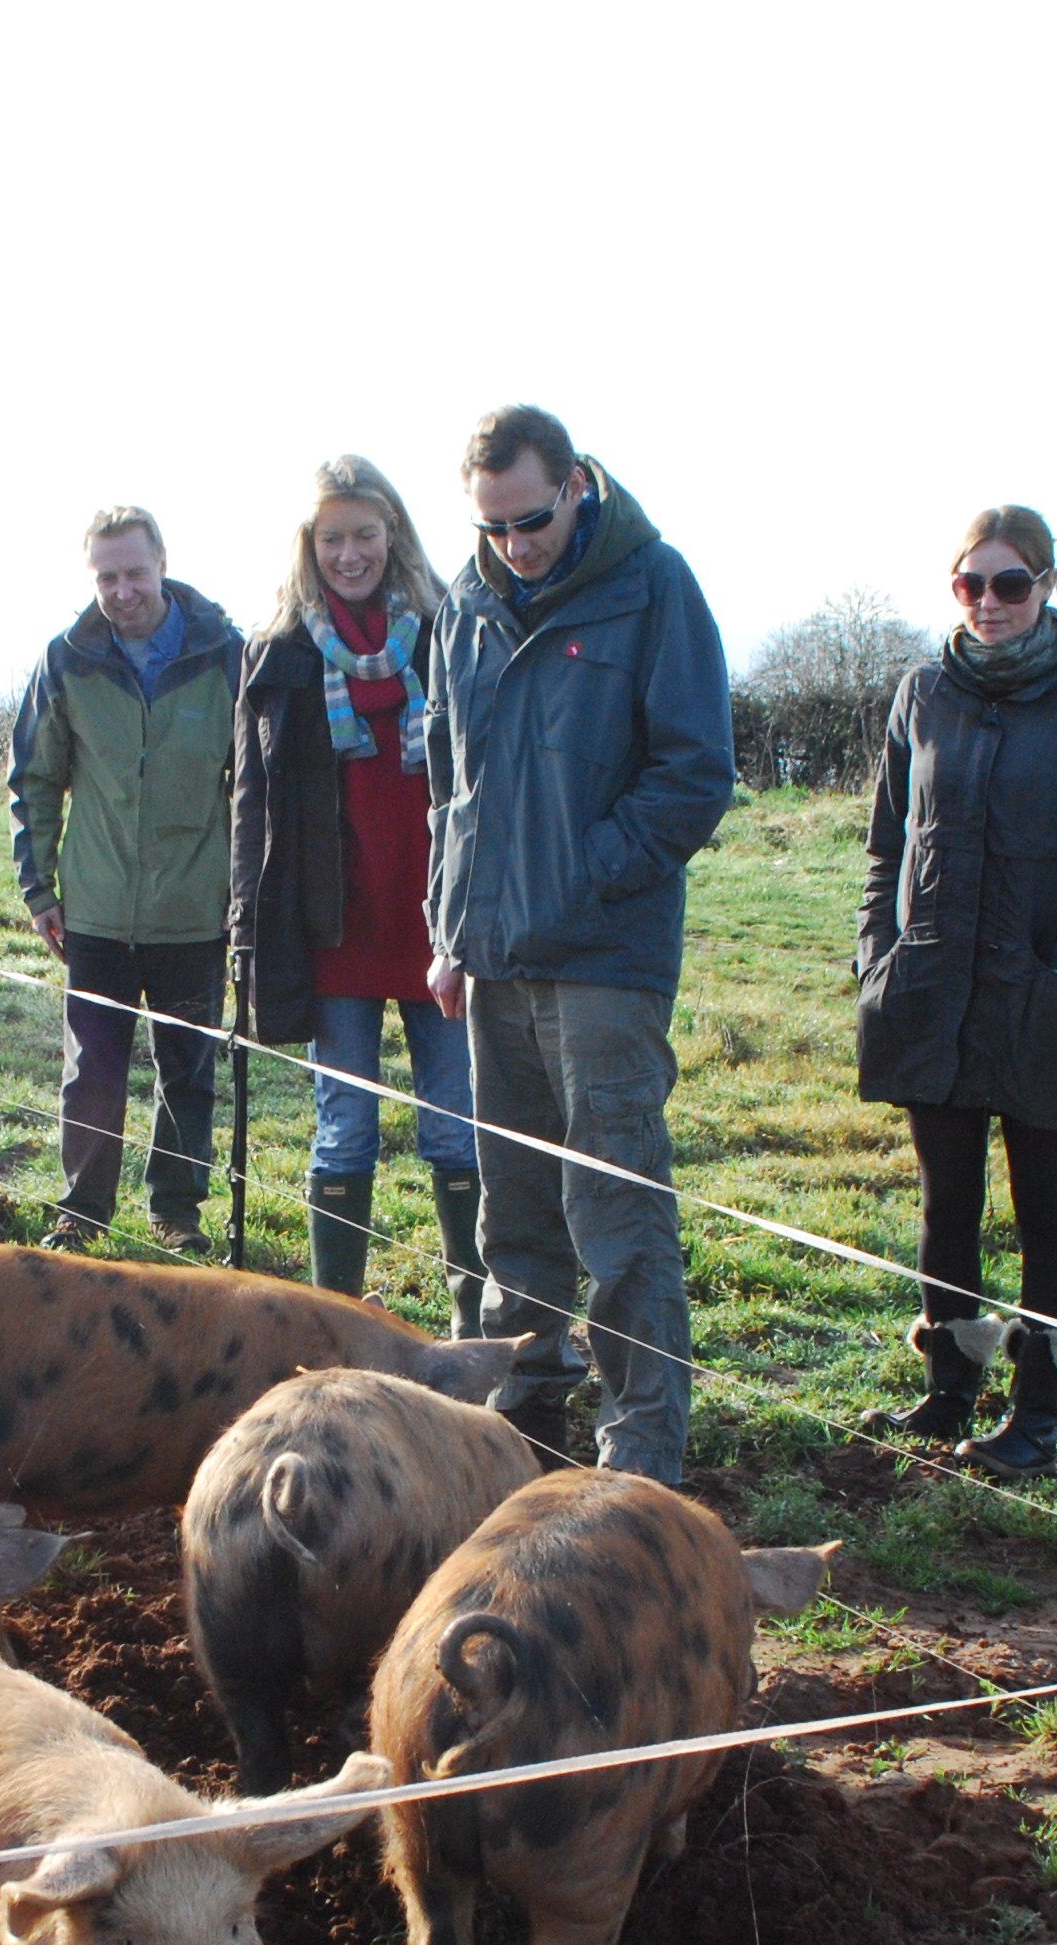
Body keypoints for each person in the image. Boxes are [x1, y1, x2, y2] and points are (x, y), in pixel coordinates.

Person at [423, 403, 734, 1477]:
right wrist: (446, 921)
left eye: (530, 519)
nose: (514, 545)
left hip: (604, 957)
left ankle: (640, 1447)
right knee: (511, 1208)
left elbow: (694, 773)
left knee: (612, 1209)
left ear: (574, 485)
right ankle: (523, 1410)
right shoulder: (461, 602)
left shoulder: (654, 587)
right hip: (489, 956)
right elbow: (443, 780)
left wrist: (586, 874)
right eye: (493, 526)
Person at [856, 506, 1057, 1476]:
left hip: (1034, 1004)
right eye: (969, 584)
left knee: (1042, 1213)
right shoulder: (920, 694)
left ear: (1046, 587)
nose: (988, 603)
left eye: (1008, 584)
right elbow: (886, 843)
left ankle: (1036, 1414)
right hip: (930, 992)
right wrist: (877, 956)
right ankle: (946, 1391)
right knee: (947, 1208)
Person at [229, 456, 484, 1326]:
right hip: (331, 927)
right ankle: (336, 1322)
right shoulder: (280, 650)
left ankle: (470, 1324)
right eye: (332, 538)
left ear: (394, 535)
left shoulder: (451, 629)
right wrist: (246, 926)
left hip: (438, 928)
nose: (349, 554)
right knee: (346, 1129)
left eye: (365, 535)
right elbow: (251, 800)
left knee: (455, 1128)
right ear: (310, 545)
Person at [9, 505, 246, 1252]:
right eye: (106, 576)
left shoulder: (225, 656)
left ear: (163, 564)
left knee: (188, 1070)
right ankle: (82, 1211)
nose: (122, 590)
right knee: (93, 1073)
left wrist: (243, 897)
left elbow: (253, 786)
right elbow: (35, 780)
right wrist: (39, 889)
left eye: (134, 572)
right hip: (98, 909)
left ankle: (176, 1213)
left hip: (194, 910)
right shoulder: (67, 660)